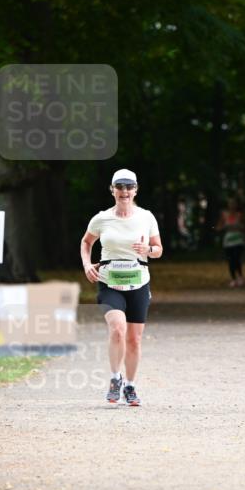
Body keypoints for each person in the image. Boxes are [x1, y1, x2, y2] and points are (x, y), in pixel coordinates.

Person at [80, 169, 163, 406]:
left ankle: (131, 385)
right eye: (120, 187)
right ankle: (115, 378)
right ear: (112, 189)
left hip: (138, 282)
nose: (124, 192)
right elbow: (86, 242)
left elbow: (158, 249)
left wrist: (147, 250)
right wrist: (87, 265)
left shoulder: (146, 217)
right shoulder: (101, 218)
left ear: (136, 190)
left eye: (129, 187)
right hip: (110, 283)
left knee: (134, 340)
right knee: (117, 329)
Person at [216, 197, 245, 287]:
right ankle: (233, 279)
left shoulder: (239, 214)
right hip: (228, 240)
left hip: (238, 240)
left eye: (233, 203)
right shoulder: (224, 214)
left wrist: (239, 226)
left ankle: (240, 277)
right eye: (230, 203)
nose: (232, 205)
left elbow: (244, 226)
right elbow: (218, 227)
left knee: (237, 258)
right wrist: (223, 227)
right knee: (230, 260)